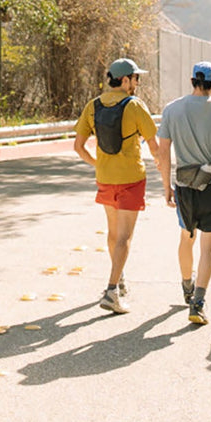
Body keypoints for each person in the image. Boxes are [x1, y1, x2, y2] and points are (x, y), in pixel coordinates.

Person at [72, 57, 164, 314]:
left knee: (113, 235)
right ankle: (112, 290)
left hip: (105, 178)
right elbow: (155, 146)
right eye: (136, 78)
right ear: (125, 80)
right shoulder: (135, 106)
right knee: (125, 237)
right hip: (131, 179)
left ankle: (119, 277)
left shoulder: (93, 105)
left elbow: (78, 147)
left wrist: (97, 163)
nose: (137, 83)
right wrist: (161, 165)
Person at [153, 60, 211, 326]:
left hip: (185, 187)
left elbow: (163, 152)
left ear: (192, 81)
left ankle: (187, 285)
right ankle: (198, 303)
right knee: (208, 247)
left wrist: (166, 185)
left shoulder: (172, 110)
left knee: (186, 236)